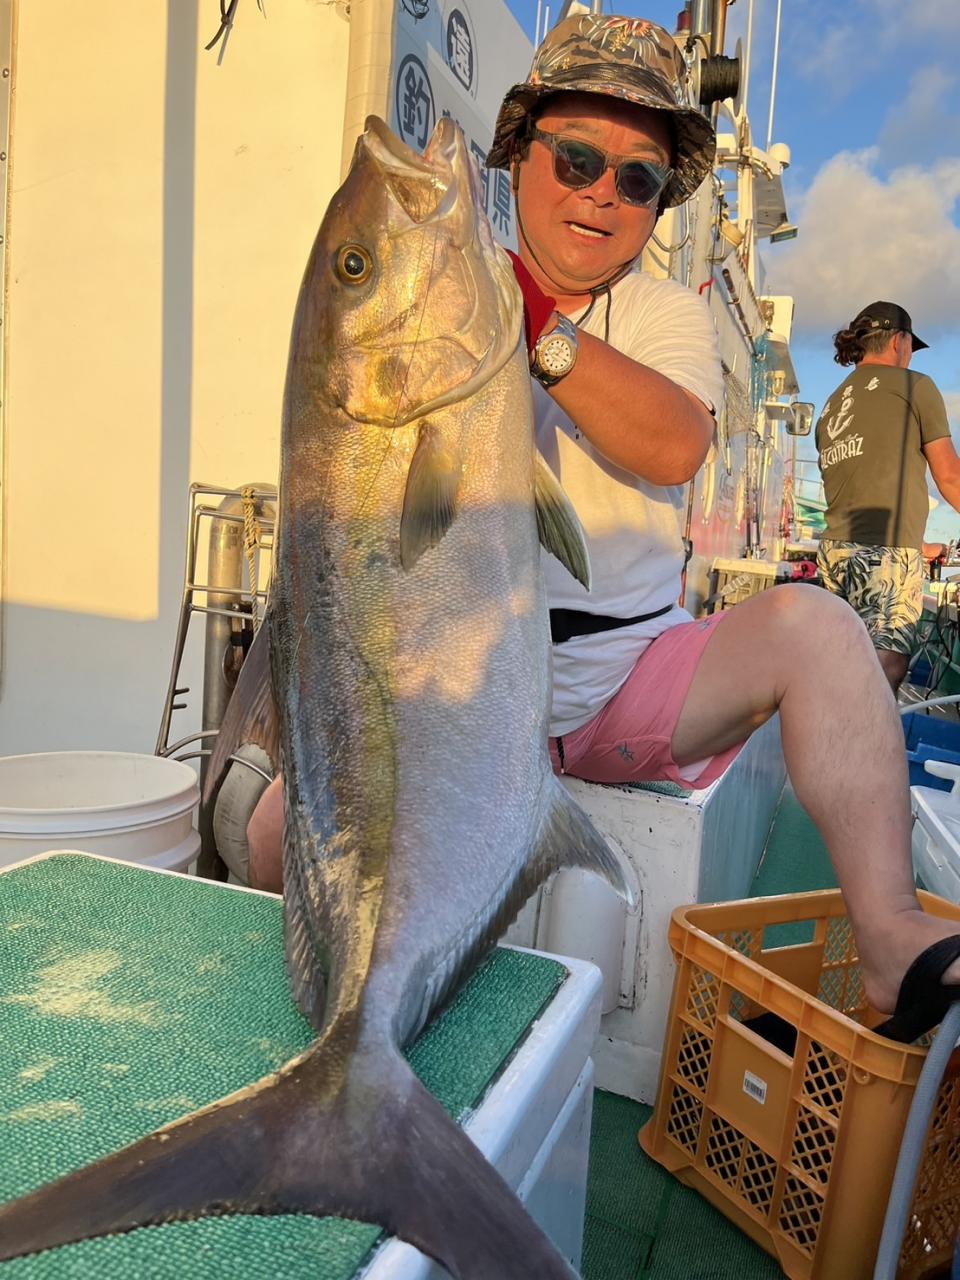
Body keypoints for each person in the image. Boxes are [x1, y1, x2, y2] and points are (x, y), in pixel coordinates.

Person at [246, 14, 960, 1042]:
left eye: (638, 179)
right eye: (577, 159)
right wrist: (473, 300)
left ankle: (889, 937)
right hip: (460, 691)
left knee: (820, 628)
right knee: (275, 834)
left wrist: (525, 321)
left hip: (622, 685)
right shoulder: (453, 286)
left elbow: (674, 444)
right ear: (521, 156)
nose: (602, 193)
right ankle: (328, 1040)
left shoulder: (662, 314)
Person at [815, 301, 960, 692]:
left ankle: (826, 729)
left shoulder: (832, 404)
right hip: (885, 553)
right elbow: (950, 477)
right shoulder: (915, 386)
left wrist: (920, 546)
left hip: (835, 553)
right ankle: (859, 734)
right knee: (885, 666)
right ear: (899, 341)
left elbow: (858, 489)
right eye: (911, 346)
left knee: (844, 658)